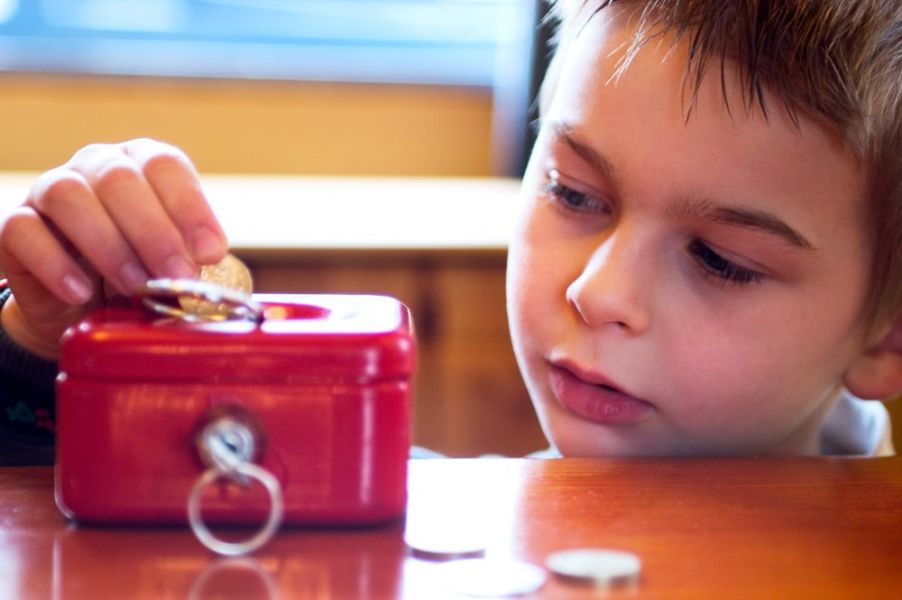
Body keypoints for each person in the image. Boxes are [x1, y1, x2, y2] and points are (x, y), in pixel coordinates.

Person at [1, 0, 900, 465]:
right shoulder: (402, 501)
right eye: (575, 193)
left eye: (720, 259)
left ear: (887, 330)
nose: (598, 292)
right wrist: (51, 348)